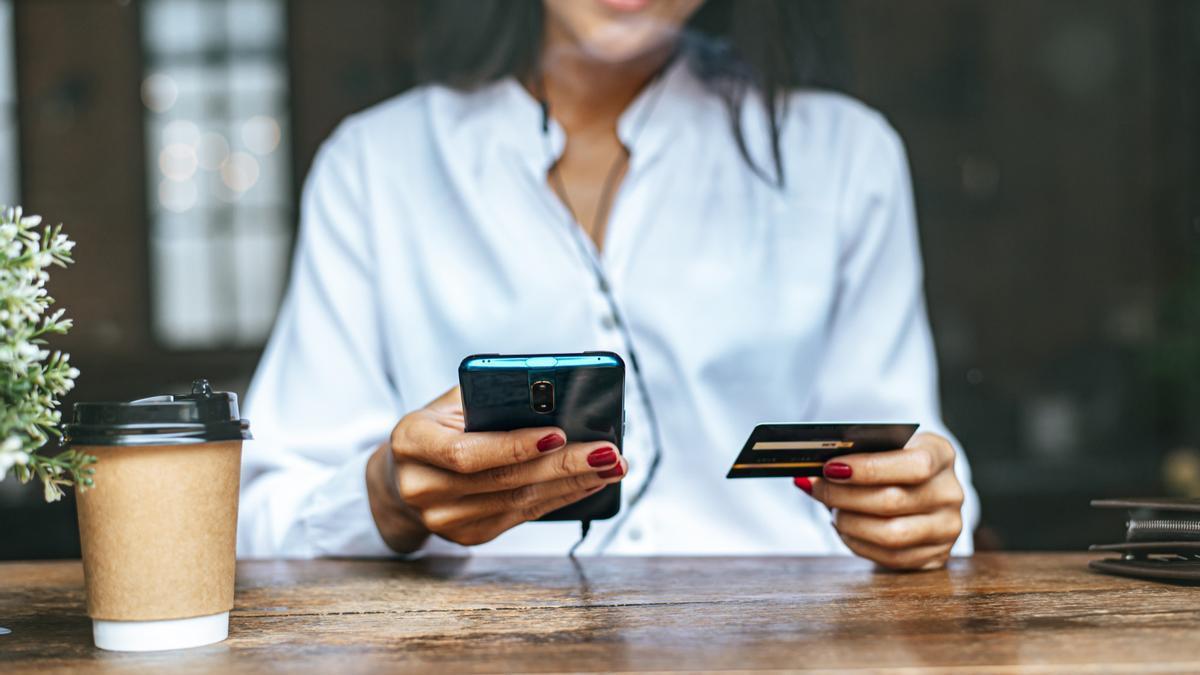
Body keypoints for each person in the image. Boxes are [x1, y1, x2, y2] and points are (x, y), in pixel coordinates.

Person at [237, 0, 979, 569]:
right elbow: (262, 517)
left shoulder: (846, 155)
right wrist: (386, 495)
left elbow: (917, 469)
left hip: (784, 645)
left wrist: (922, 511)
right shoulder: (374, 166)